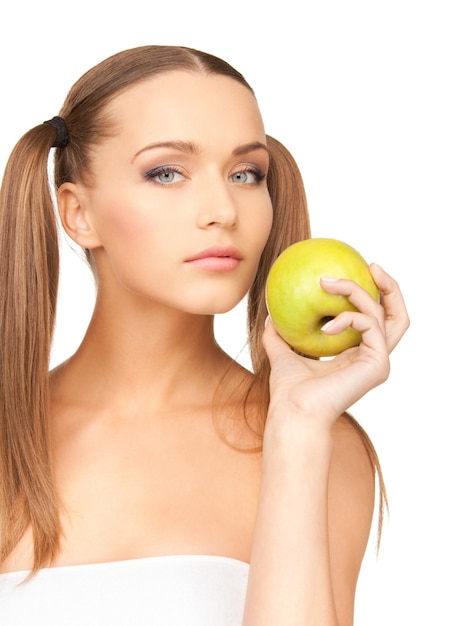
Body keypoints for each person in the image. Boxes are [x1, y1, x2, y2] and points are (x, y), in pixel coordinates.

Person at [0, 45, 409, 625]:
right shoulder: (7, 438)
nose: (223, 209)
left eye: (246, 174)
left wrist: (296, 429)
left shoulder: (322, 443)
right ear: (78, 213)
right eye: (166, 172)